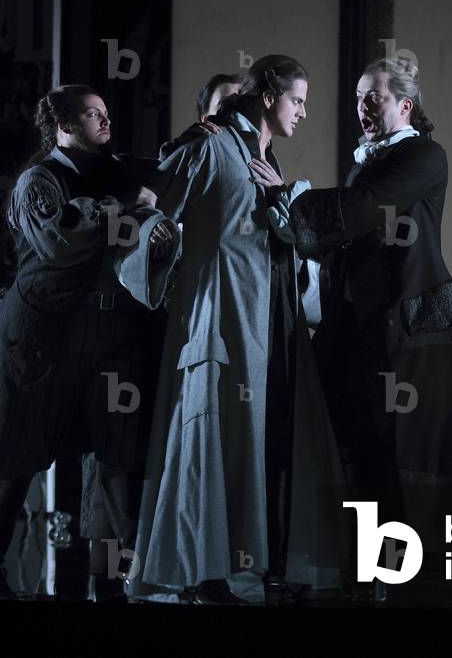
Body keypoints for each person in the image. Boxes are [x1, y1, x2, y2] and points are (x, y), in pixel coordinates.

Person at [264, 57, 452, 603]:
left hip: (415, 330)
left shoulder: (425, 156)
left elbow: (361, 210)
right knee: (363, 450)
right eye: (359, 97)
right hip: (364, 329)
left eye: (374, 97)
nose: (363, 106)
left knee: (419, 452)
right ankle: (372, 573)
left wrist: (292, 196)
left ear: (405, 105)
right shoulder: (368, 162)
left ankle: (437, 579)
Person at [127, 55, 347, 605]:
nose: (304, 111)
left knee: (258, 440)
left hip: (266, 319)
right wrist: (157, 236)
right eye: (298, 99)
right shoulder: (207, 144)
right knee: (210, 436)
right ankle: (204, 572)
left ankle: (253, 566)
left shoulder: (262, 156)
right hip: (220, 315)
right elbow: (148, 207)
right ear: (269, 96)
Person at [0, 84, 180, 599]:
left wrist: (209, 126)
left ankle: (132, 572)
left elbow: (172, 165)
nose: (106, 121)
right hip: (43, 332)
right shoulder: (40, 179)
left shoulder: (117, 167)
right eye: (92, 113)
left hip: (111, 332)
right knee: (16, 450)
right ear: (63, 123)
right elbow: (62, 241)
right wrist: (125, 206)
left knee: (120, 448)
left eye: (106, 113)